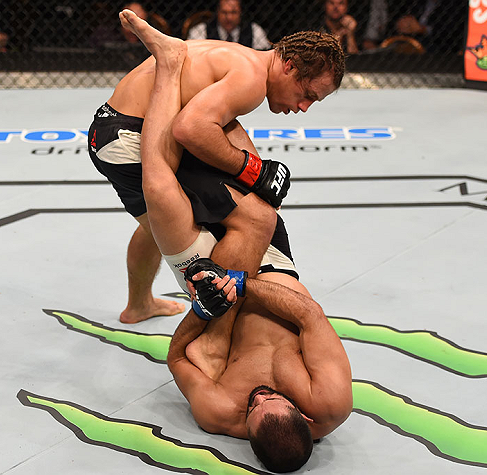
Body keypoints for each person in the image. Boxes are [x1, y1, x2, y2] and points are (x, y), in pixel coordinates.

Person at [118, 11, 352, 471]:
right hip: (266, 274)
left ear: (245, 427)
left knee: (164, 201)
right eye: (306, 95)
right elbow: (308, 314)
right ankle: (140, 301)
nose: (260, 396)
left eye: (254, 405)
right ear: (303, 416)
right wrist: (242, 285)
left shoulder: (221, 410)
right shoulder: (328, 402)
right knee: (256, 208)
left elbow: (177, 357)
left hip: (213, 284)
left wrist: (205, 310)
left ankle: (139, 303)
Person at [89, 5, 343, 324]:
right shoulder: (251, 80)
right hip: (131, 139)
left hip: (113, 129)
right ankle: (211, 327)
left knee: (155, 225)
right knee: (224, 224)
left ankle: (138, 305)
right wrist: (252, 171)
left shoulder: (242, 57)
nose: (303, 107)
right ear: (289, 66)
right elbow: (189, 128)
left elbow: (222, 125)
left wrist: (256, 170)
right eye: (306, 94)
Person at [186, 0, 271, 51]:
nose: (229, 17)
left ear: (240, 13)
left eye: (233, 12)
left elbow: (264, 54)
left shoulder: (254, 30)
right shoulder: (201, 30)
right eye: (224, 12)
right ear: (218, 12)